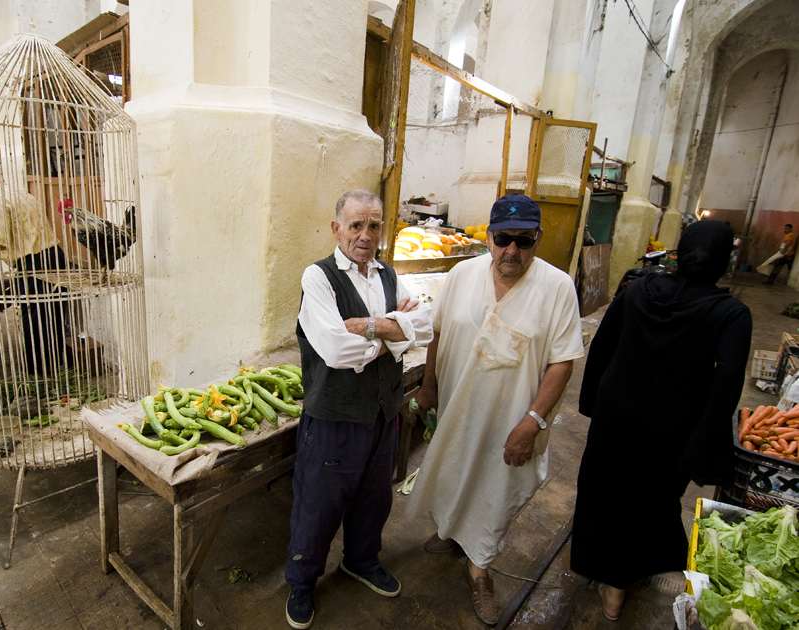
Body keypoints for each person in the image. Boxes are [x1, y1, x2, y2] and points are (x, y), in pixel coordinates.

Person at [406, 194, 584, 625]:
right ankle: (451, 533)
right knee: (452, 471)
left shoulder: (557, 286)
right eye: (503, 239)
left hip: (513, 419)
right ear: (488, 236)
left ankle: (479, 567)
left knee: (496, 487)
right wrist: (428, 387)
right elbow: (437, 333)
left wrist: (533, 421)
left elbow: (562, 361)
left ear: (537, 239)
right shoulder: (463, 274)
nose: (512, 251)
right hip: (457, 407)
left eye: (523, 241)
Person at [570, 220, 752, 620]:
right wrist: (707, 438)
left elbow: (602, 347)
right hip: (673, 424)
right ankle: (622, 583)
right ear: (726, 263)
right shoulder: (730, 314)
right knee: (653, 496)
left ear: (677, 253)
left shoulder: (638, 292)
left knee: (605, 489)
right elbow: (728, 383)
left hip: (616, 415)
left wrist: (592, 404)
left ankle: (605, 576)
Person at [286, 189, 433, 629]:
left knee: (375, 497)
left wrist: (372, 327)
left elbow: (424, 325)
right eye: (356, 225)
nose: (365, 235)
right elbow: (334, 348)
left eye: (374, 225)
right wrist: (394, 335)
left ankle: (361, 561)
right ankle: (302, 582)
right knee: (318, 504)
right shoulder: (318, 278)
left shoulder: (388, 274)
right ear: (337, 228)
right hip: (334, 418)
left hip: (382, 413)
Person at [0, 165, 69, 375]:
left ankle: (36, 371)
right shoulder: (21, 193)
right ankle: (57, 364)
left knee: (34, 315)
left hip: (34, 262)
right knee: (54, 311)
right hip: (55, 256)